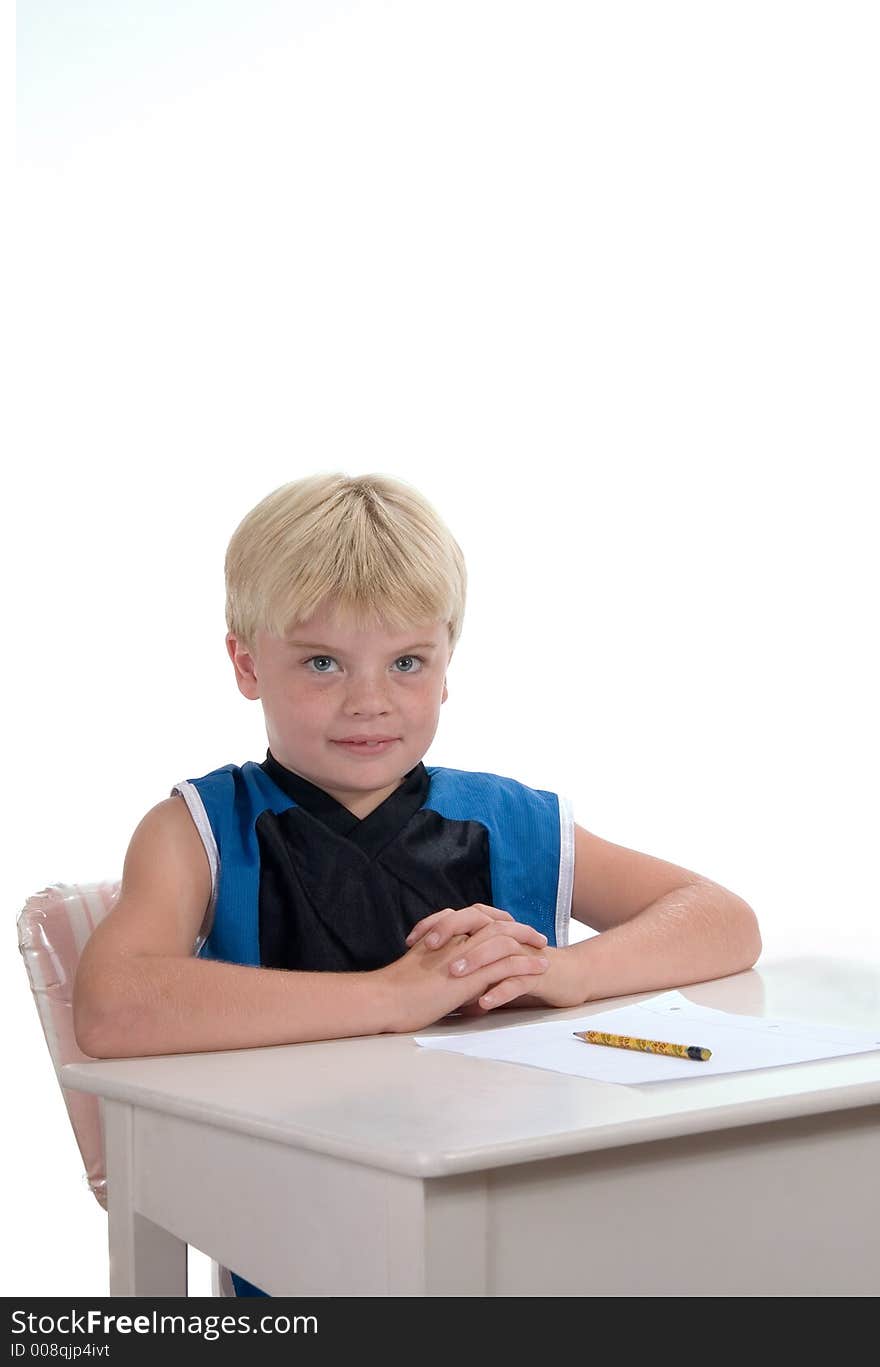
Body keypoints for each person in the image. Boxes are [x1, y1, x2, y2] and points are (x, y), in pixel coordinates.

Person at [73, 471, 761, 1297]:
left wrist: (563, 972)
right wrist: (391, 998)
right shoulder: (198, 830)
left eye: (406, 661)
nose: (370, 701)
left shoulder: (510, 817)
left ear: (446, 667)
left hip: (524, 1230)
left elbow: (722, 919)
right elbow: (111, 1004)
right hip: (298, 1250)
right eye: (323, 661)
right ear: (246, 662)